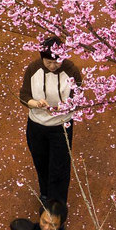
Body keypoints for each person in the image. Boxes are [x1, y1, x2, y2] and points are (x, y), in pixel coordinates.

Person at [20, 36, 83, 206]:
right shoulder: (33, 69)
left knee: (59, 167)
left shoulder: (71, 71)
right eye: (48, 62)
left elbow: (77, 98)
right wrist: (36, 103)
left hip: (61, 125)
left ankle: (57, 205)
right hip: (36, 124)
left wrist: (63, 108)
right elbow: (24, 96)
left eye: (57, 62)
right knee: (41, 161)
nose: (53, 66)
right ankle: (45, 193)